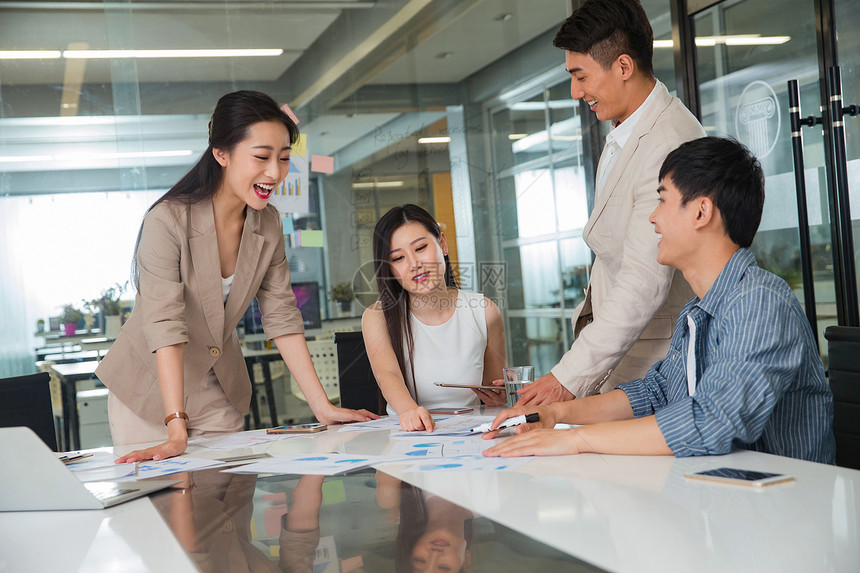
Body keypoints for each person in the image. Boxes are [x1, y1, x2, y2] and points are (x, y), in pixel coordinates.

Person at [483, 137, 836, 464]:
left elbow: (711, 421)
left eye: (663, 199)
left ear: (701, 212)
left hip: (782, 508)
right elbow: (657, 392)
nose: (653, 217)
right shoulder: (699, 309)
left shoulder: (759, 303)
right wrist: (557, 414)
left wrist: (576, 440)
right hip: (721, 498)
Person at [96, 90, 377, 462]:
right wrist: (175, 426)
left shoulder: (268, 222)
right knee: (165, 511)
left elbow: (281, 314)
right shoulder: (167, 220)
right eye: (261, 157)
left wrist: (322, 405)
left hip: (218, 385)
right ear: (222, 154)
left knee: (228, 508)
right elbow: (164, 323)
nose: (274, 173)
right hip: (149, 390)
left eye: (283, 158)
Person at [518, 0, 706, 407]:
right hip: (625, 358)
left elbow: (643, 278)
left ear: (623, 67)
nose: (575, 92)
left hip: (657, 364)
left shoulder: (668, 142)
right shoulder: (627, 128)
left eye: (580, 76)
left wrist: (566, 379)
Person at [362, 204, 506, 432]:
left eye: (420, 248)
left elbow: (495, 390)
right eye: (398, 258)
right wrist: (409, 411)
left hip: (470, 436)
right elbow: (387, 375)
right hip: (407, 436)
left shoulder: (484, 311)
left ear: (443, 244)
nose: (414, 264)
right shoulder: (376, 317)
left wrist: (498, 396)